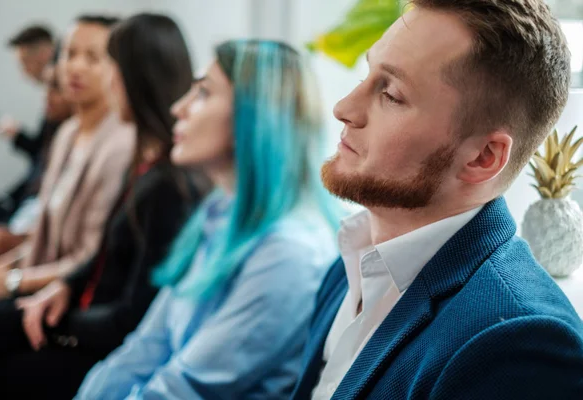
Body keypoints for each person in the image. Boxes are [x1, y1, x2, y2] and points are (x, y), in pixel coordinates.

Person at [291, 1, 583, 399]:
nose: (344, 108)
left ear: (483, 158)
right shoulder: (350, 266)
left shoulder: (519, 346)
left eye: (391, 94)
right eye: (368, 74)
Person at [76, 39, 342, 400]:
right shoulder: (218, 215)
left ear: (254, 115)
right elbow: (144, 348)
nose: (178, 108)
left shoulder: (290, 253)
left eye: (202, 93)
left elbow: (184, 388)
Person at [0, 14, 209, 399]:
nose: (93, 74)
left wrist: (18, 288)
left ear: (135, 77)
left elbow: (132, 314)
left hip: (92, 333)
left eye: (102, 61)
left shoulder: (161, 178)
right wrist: (56, 287)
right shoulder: (135, 157)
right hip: (74, 309)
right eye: (70, 54)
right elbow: (97, 257)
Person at [0, 15, 133, 301]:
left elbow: (88, 259)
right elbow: (42, 238)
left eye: (92, 57)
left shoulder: (121, 144)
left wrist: (10, 282)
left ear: (118, 69)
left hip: (61, 299)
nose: (75, 67)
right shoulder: (67, 133)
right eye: (69, 54)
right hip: (33, 280)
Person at [0, 62, 74, 255]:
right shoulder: (53, 127)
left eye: (55, 88)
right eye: (46, 87)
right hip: (21, 208)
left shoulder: (74, 142)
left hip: (29, 221)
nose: (46, 95)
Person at [0, 27, 65, 229]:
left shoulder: (65, 110)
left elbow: (44, 157)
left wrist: (18, 137)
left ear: (44, 54)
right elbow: (43, 154)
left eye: (24, 64)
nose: (23, 73)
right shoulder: (53, 105)